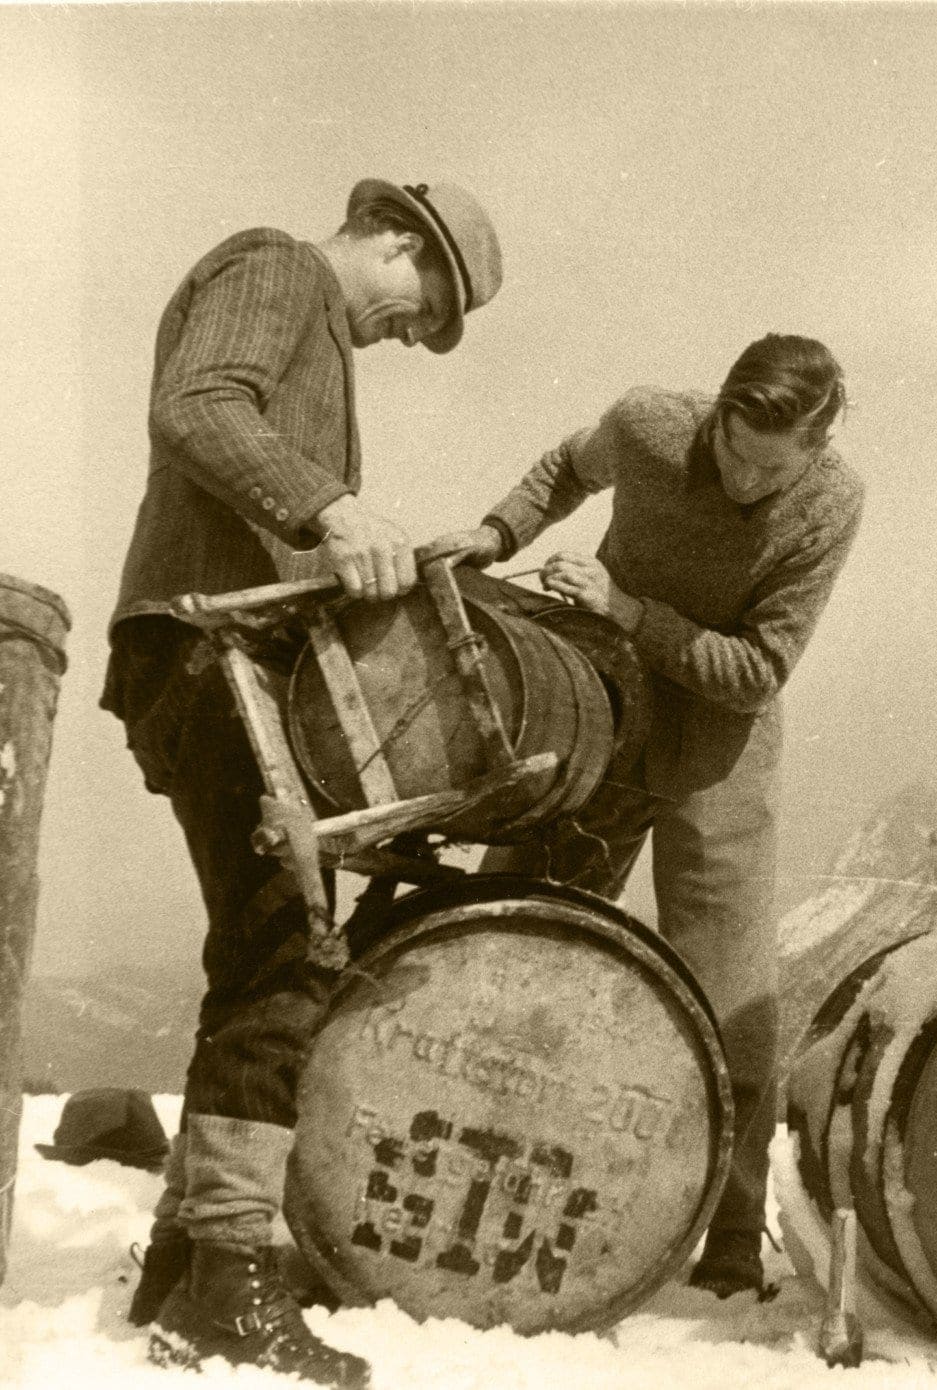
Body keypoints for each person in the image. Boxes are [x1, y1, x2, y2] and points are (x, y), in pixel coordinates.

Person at [104, 177, 503, 1388]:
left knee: (254, 945)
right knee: (288, 948)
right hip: (208, 650)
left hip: (206, 653)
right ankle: (228, 1285)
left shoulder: (309, 318)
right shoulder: (278, 268)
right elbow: (196, 406)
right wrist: (328, 506)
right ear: (393, 237)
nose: (414, 332)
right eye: (421, 303)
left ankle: (186, 1261)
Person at [447, 334, 863, 1299]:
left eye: (773, 467)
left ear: (816, 448)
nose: (746, 479)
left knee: (730, 995)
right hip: (597, 705)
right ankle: (472, 1164)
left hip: (721, 741)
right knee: (519, 924)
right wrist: (498, 533)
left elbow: (760, 669)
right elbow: (566, 463)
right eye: (731, 450)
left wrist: (631, 608)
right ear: (714, 412)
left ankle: (727, 1225)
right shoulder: (647, 424)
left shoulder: (835, 501)